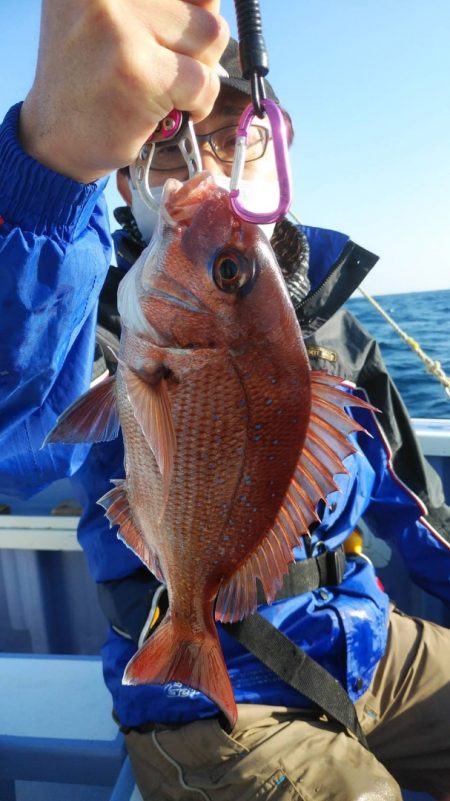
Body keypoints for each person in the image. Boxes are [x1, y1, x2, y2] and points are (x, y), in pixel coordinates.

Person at [1, 2, 449, 798]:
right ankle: (189, 643)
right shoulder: (98, 315)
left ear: (279, 149)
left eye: (234, 137)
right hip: (203, 707)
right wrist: (51, 170)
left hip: (369, 646)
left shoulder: (335, 322)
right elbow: (19, 432)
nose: (206, 166)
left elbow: (411, 503)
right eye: (167, 145)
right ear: (122, 170)